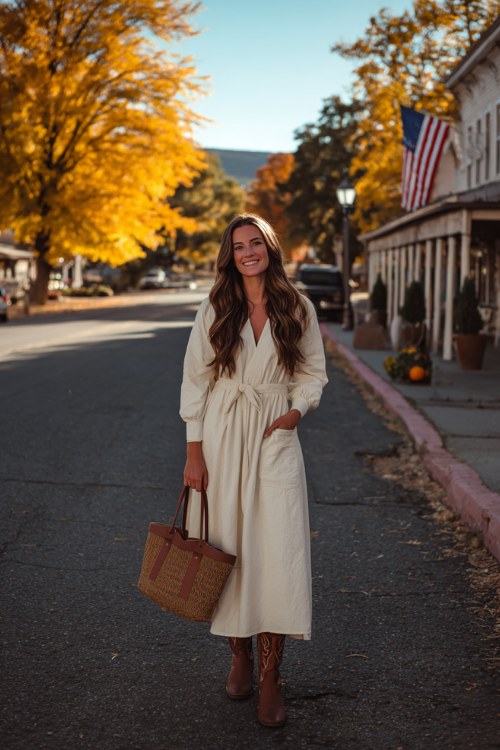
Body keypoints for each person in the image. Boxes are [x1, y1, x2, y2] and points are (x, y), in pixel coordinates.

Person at [180, 214, 328, 727]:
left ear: (269, 247)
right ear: (230, 254)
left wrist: (294, 412)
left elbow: (313, 372)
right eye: (238, 245)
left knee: (279, 549)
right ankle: (238, 654)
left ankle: (271, 675)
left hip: (275, 434)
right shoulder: (216, 307)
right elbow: (194, 382)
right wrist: (193, 452)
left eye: (255, 243)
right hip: (222, 435)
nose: (248, 252)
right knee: (231, 548)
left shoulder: (297, 305)